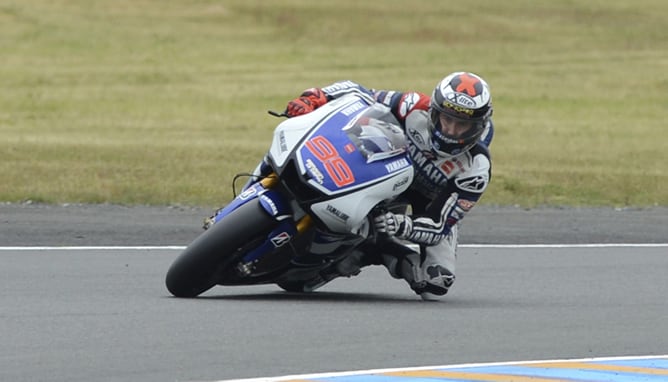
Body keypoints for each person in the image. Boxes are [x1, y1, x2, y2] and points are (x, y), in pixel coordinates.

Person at [282, 72, 494, 301]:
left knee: (436, 282)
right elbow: (359, 93)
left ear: (478, 126)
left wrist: (403, 225)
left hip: (433, 201)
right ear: (433, 111)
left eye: (462, 124)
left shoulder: (477, 168)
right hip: (389, 172)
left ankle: (371, 252)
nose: (451, 131)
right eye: (447, 119)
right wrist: (315, 98)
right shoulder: (414, 106)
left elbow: (438, 225)